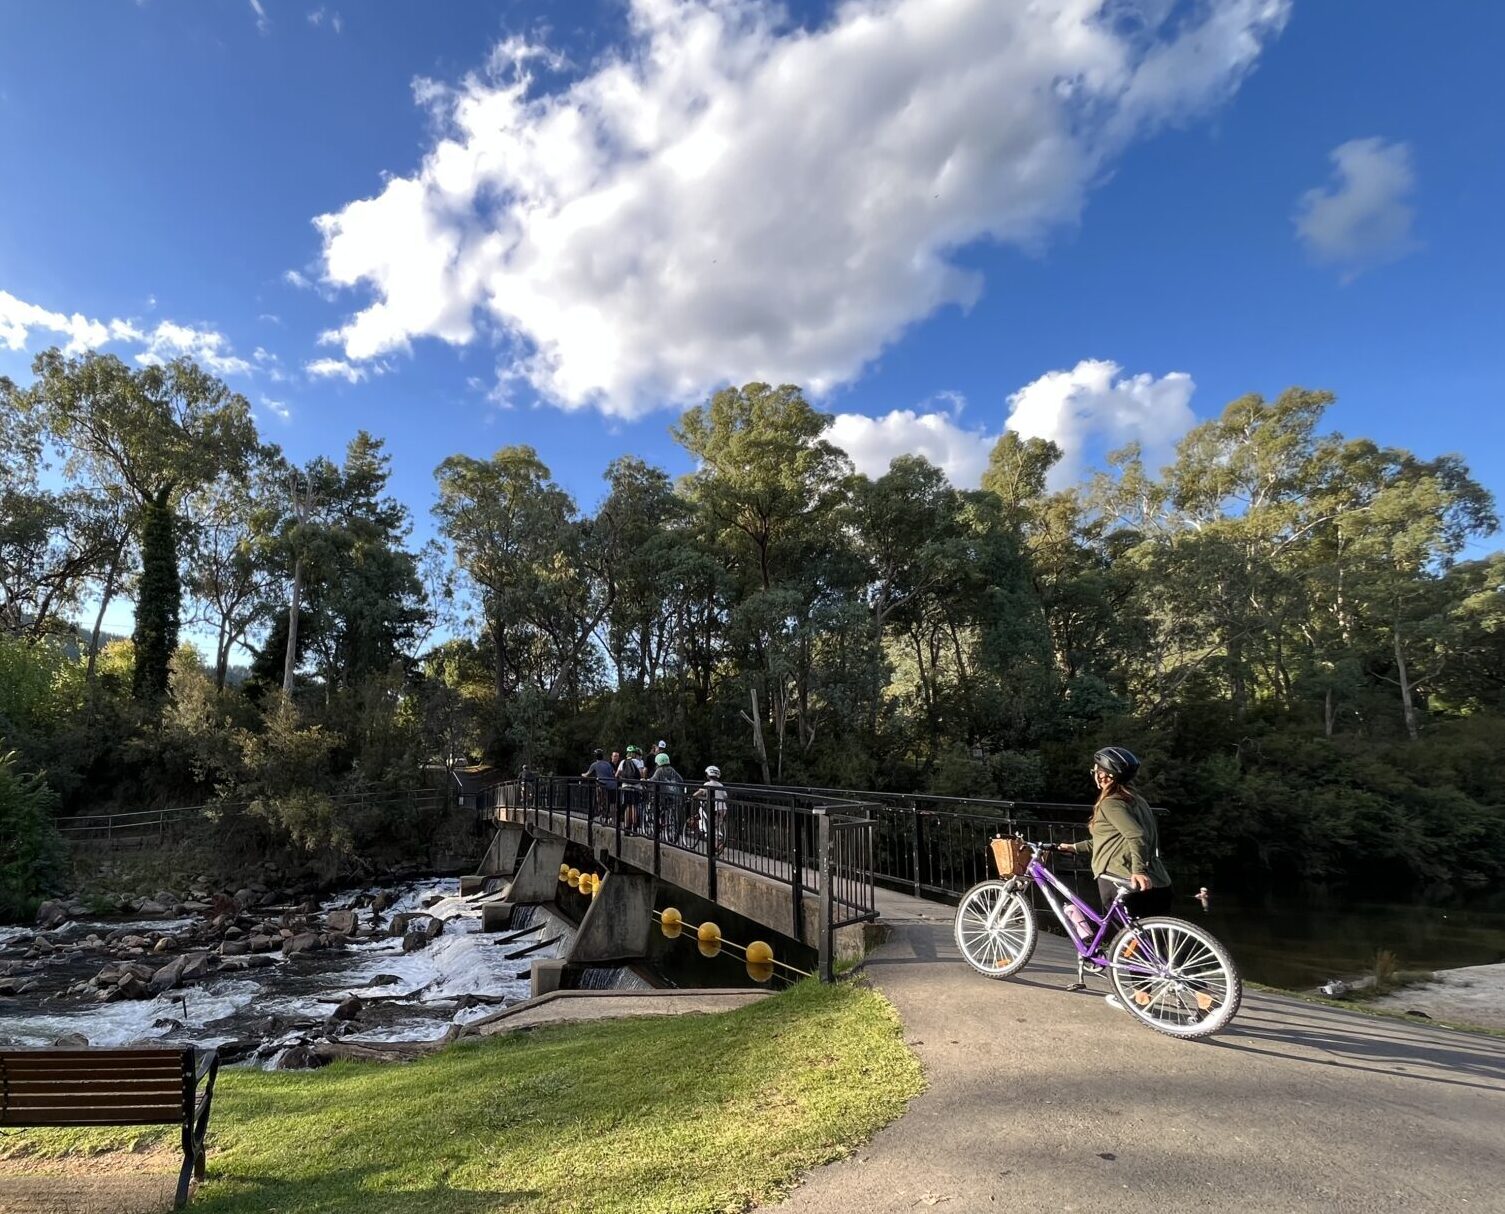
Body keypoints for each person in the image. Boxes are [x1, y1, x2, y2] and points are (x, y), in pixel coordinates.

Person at [1057, 746, 1173, 1010]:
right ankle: (1204, 997)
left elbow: (1136, 837)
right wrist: (1074, 848)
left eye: (1096, 770)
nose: (1095, 775)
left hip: (1121, 878)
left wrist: (1137, 870)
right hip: (1160, 881)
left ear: (1105, 775)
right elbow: (1109, 838)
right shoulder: (1136, 800)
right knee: (1157, 945)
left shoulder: (1110, 803)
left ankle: (1141, 999)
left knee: (1130, 940)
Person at [690, 765, 729, 853]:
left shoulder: (707, 784)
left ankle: (715, 840)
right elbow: (725, 796)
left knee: (708, 823)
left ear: (708, 775)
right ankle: (718, 841)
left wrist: (693, 796)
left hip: (714, 808)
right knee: (716, 825)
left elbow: (700, 792)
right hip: (723, 808)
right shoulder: (720, 785)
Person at [649, 750, 686, 841]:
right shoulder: (672, 770)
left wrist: (646, 781)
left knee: (656, 808)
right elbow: (680, 780)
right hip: (674, 795)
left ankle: (656, 828)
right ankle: (673, 828)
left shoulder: (659, 770)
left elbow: (653, 780)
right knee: (671, 809)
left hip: (663, 795)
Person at [581, 749, 616, 819]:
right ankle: (608, 814)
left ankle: (601, 811)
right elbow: (613, 773)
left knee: (599, 798)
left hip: (602, 784)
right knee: (610, 800)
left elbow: (587, 774)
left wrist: (582, 775)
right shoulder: (608, 764)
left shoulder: (594, 764)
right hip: (612, 784)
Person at [615, 746, 643, 833]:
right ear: (634, 753)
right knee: (634, 806)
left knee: (627, 807)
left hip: (625, 786)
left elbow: (616, 775)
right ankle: (634, 828)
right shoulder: (638, 762)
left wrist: (621, 778)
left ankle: (627, 828)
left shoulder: (623, 762)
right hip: (636, 787)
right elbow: (641, 774)